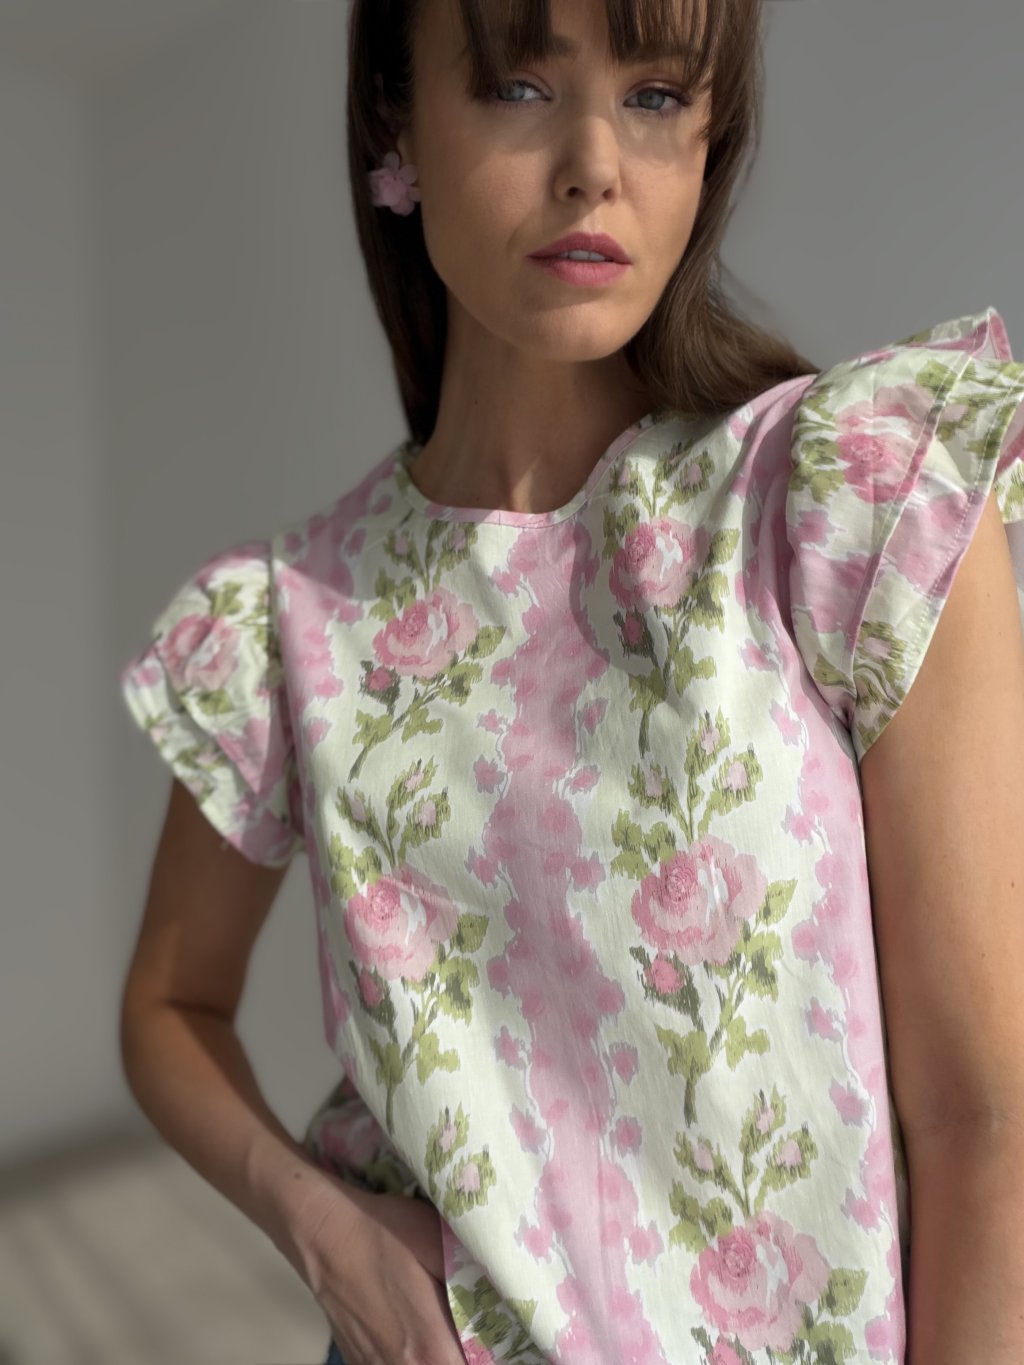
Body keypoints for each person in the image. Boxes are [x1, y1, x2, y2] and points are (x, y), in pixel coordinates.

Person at [117, 0, 1024, 1362]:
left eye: (656, 96)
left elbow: (987, 1121)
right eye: (519, 85)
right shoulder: (286, 617)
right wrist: (323, 1228)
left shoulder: (847, 498)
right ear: (395, 123)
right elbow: (168, 1004)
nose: (595, 163)